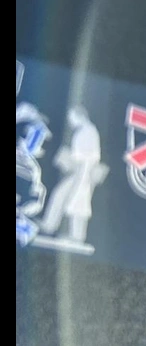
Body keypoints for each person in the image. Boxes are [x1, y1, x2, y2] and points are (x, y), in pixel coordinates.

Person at [37, 105, 108, 244]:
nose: (71, 121)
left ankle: (76, 236)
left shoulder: (88, 131)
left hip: (82, 173)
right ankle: (51, 225)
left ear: (79, 116)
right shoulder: (85, 131)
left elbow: (86, 158)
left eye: (72, 118)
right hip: (79, 172)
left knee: (78, 203)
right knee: (65, 197)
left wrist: (68, 161)